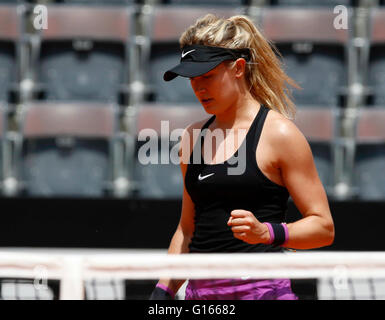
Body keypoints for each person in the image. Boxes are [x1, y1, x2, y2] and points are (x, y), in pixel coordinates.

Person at [149, 14, 335, 300]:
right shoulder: (191, 138)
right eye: (192, 79)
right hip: (201, 297)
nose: (198, 87)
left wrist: (268, 233)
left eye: (207, 76)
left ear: (237, 68)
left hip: (263, 292)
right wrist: (163, 291)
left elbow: (323, 227)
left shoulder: (281, 134)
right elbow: (187, 230)